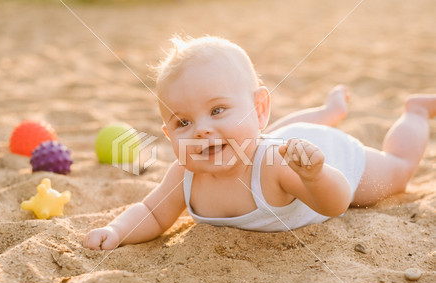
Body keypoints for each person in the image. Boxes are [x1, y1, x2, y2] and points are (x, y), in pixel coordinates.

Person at [83, 36, 435, 250]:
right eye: (184, 122)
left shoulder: (276, 166)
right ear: (169, 134)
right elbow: (151, 212)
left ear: (258, 107)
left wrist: (315, 176)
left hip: (328, 161)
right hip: (275, 138)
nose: (202, 130)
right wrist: (117, 230)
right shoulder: (183, 173)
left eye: (218, 110)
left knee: (398, 173)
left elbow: (336, 203)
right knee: (265, 135)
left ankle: (415, 112)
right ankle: (326, 111)